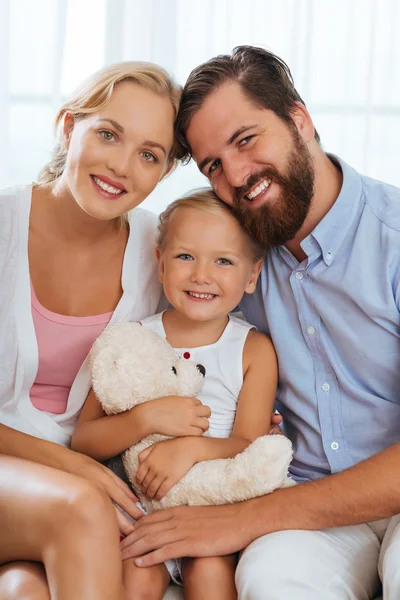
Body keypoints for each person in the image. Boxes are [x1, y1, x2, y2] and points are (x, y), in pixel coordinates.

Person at [120, 46, 400, 599]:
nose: (239, 175)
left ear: (300, 119)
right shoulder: (234, 264)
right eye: (213, 165)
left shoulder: (392, 240)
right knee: (272, 582)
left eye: (246, 140)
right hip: (305, 503)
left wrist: (244, 520)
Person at [0, 60, 189, 599]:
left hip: (66, 491)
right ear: (68, 127)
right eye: (108, 134)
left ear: (163, 172)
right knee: (83, 510)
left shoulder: (162, 249)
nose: (122, 167)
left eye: (149, 155)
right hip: (54, 484)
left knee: (27, 590)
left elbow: (216, 330)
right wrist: (71, 467)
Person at [71, 188, 279, 600]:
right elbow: (83, 441)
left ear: (252, 274)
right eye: (186, 256)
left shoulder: (253, 350)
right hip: (138, 513)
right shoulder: (130, 341)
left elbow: (249, 444)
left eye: (223, 261)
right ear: (160, 261)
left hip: (210, 516)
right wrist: (143, 419)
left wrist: (191, 449)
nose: (202, 274)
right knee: (137, 578)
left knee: (210, 577)